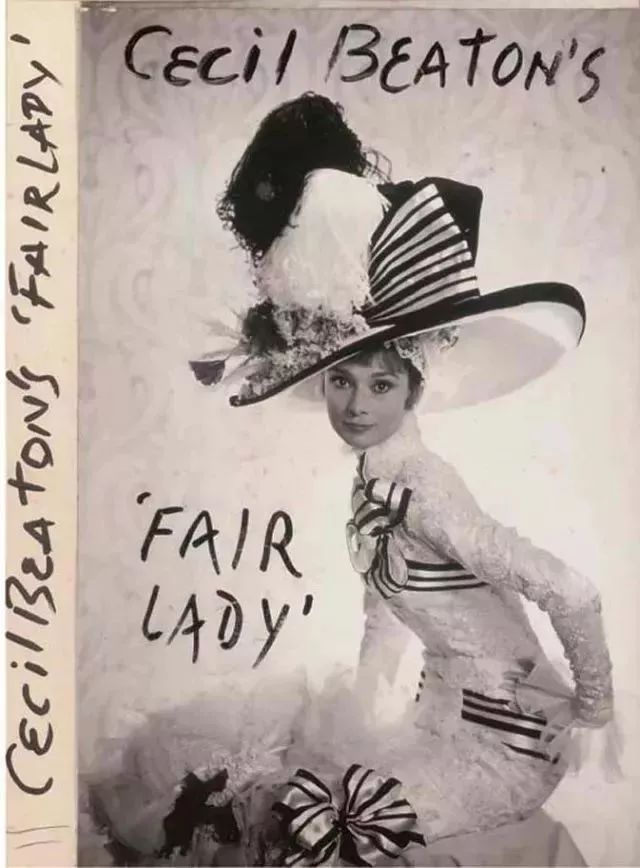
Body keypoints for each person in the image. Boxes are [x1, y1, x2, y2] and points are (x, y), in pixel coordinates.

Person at [80, 93, 614, 867]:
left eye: (381, 384)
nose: (357, 406)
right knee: (259, 777)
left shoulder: (425, 488)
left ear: (415, 387)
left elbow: (573, 591)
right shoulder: (372, 483)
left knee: (321, 822)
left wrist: (594, 711)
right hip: (433, 726)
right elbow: (386, 614)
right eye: (341, 383)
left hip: (506, 751)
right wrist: (357, 722)